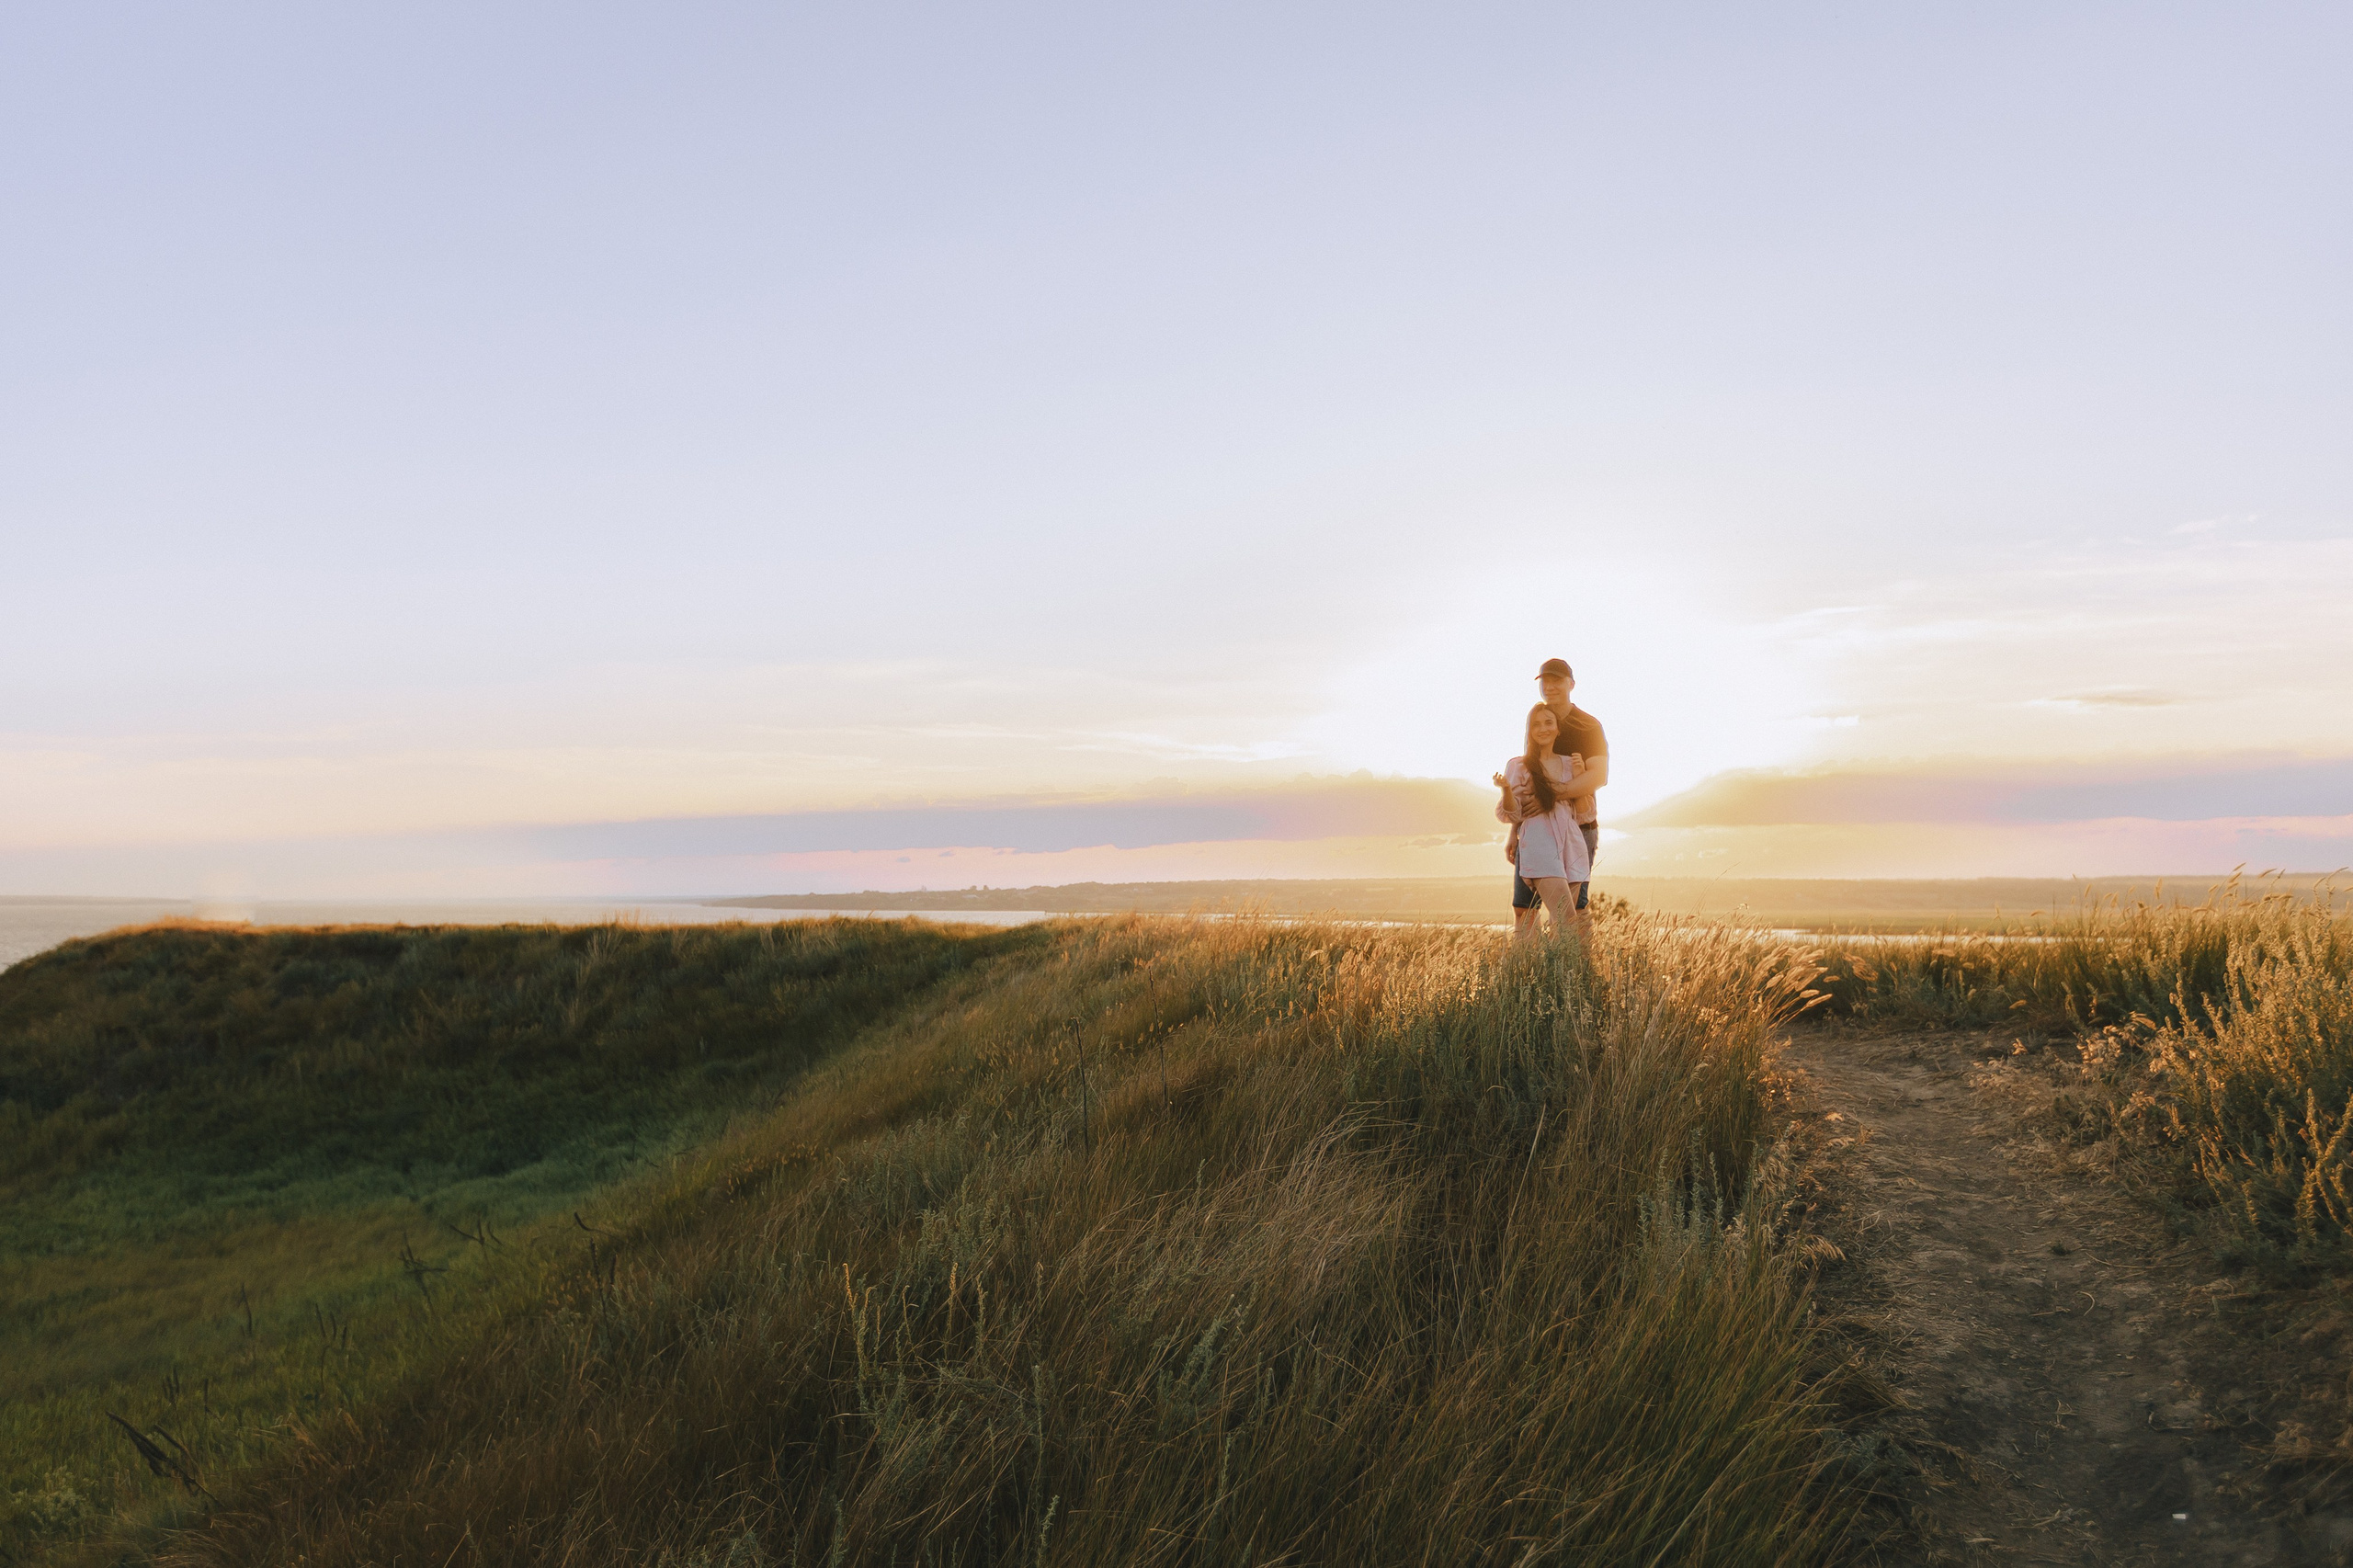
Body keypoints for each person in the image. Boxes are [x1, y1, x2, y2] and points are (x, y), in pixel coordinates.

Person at [1495, 658, 1608, 933]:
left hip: (1579, 825)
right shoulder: (1538, 720)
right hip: (1535, 829)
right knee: (1524, 905)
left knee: (1575, 907)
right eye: (1545, 681)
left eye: (1557, 680)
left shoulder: (1587, 726)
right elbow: (1527, 780)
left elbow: (1597, 777)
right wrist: (1514, 830)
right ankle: (1526, 971)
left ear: (1571, 684)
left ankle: (1577, 971)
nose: (1550, 686)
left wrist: (1552, 795)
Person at [1494, 704, 1592, 941]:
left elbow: (1584, 813)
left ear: (1558, 729)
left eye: (1549, 722)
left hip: (1572, 846)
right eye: (1536, 724)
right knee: (1567, 917)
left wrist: (1580, 778)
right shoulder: (1519, 765)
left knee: (1565, 924)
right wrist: (1506, 789)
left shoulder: (1570, 763)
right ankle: (1559, 974)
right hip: (1539, 844)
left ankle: (1556, 975)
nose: (1543, 728)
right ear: (1529, 731)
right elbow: (1513, 813)